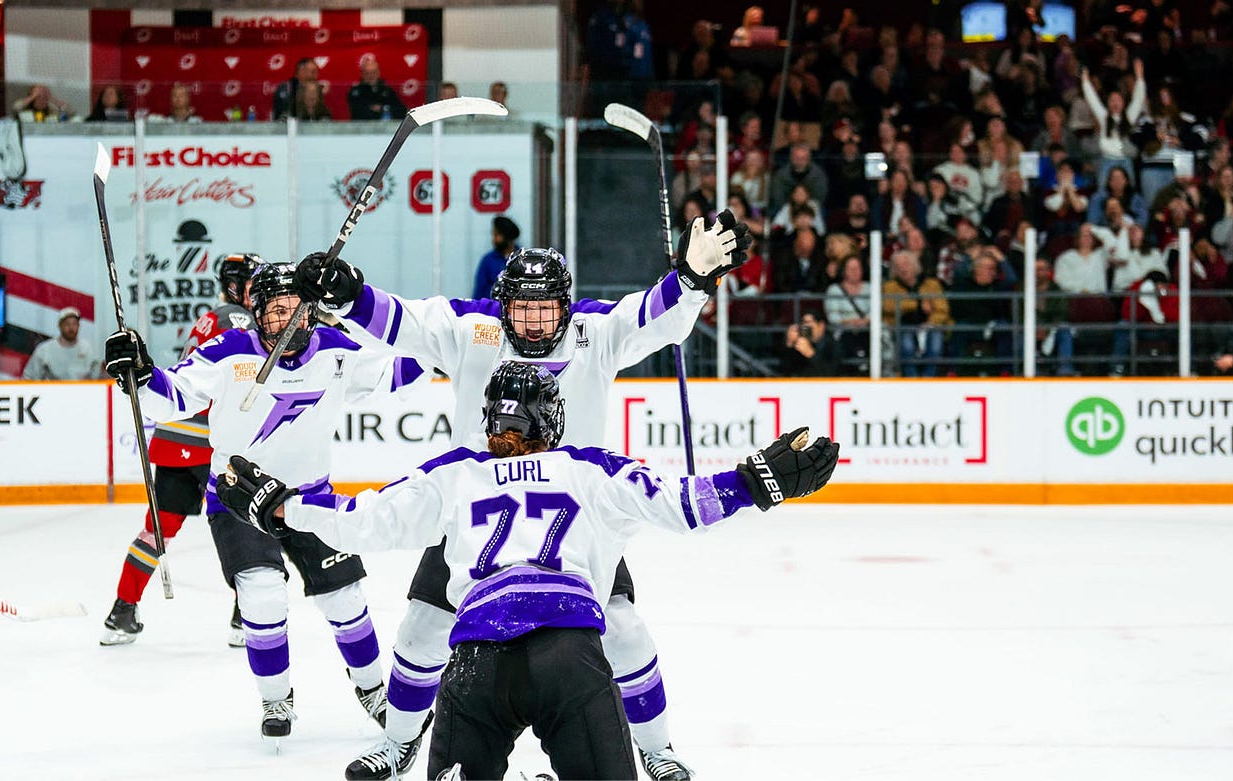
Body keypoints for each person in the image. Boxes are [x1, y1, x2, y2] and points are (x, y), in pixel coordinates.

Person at [216, 361, 839, 779]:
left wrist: (280, 506)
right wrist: (755, 483)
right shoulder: (592, 468)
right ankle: (652, 754)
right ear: (555, 421)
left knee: (423, 639)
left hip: (475, 662)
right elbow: (685, 503)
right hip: (570, 657)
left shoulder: (453, 473)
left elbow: (359, 519)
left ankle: (406, 743)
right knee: (621, 637)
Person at [295, 210, 751, 781]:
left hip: (572, 519)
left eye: (546, 309)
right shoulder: (473, 329)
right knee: (421, 626)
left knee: (625, 626)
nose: (534, 323)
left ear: (566, 305)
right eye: (522, 309)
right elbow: (402, 322)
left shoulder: (596, 330)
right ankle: (398, 742)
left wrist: (691, 277)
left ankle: (657, 748)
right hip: (477, 514)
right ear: (503, 303)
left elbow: (653, 318)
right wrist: (348, 294)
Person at [101, 261, 430, 743]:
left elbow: (399, 371)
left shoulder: (340, 350)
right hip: (239, 496)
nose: (288, 320)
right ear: (256, 314)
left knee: (346, 600)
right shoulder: (227, 351)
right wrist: (140, 373)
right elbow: (169, 397)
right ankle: (276, 697)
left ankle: (372, 690)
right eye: (276, 311)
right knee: (261, 596)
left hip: (312, 496)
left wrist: (441, 346)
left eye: (295, 309)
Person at [101, 255, 260, 647]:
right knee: (242, 524)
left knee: (157, 530)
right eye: (254, 285)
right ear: (238, 287)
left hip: (176, 438)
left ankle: (122, 610)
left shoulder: (210, 318)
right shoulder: (239, 321)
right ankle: (249, 614)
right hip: (215, 443)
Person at [883, 250, 949, 377]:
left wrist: (930, 323)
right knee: (907, 344)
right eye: (898, 265)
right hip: (902, 325)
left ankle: (928, 377)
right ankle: (911, 378)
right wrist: (918, 304)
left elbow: (942, 309)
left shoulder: (931, 284)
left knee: (936, 341)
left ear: (915, 265)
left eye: (906, 264)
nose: (902, 268)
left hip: (929, 324)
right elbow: (888, 306)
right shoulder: (890, 286)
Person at [22, 307, 98, 380]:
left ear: (78, 326)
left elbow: (97, 377)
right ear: (60, 326)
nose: (71, 328)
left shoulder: (86, 348)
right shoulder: (45, 350)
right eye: (67, 324)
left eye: (74, 324)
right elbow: (29, 378)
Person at [471, 216, 520, 299]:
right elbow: (479, 291)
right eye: (493, 235)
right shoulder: (488, 260)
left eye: (497, 235)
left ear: (507, 236)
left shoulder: (522, 260)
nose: (494, 239)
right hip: (491, 310)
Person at [347, 54, 406, 121]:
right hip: (362, 128)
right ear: (362, 74)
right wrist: (371, 109)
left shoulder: (387, 90)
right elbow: (356, 111)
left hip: (385, 128)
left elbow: (400, 109)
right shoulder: (355, 91)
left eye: (373, 73)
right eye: (367, 73)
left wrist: (383, 109)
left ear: (378, 73)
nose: (371, 76)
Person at [780, 310, 839, 376]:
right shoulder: (800, 343)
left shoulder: (833, 345)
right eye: (803, 323)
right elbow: (786, 370)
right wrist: (789, 343)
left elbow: (832, 373)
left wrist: (811, 354)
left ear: (821, 326)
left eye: (808, 322)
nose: (805, 327)